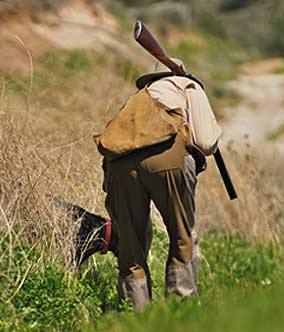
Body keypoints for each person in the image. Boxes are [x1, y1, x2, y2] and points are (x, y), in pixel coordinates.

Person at [94, 59, 222, 311]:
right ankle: (179, 311)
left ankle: (135, 316)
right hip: (168, 159)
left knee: (131, 247)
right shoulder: (187, 85)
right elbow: (206, 143)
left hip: (118, 166)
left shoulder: (138, 97)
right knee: (181, 237)